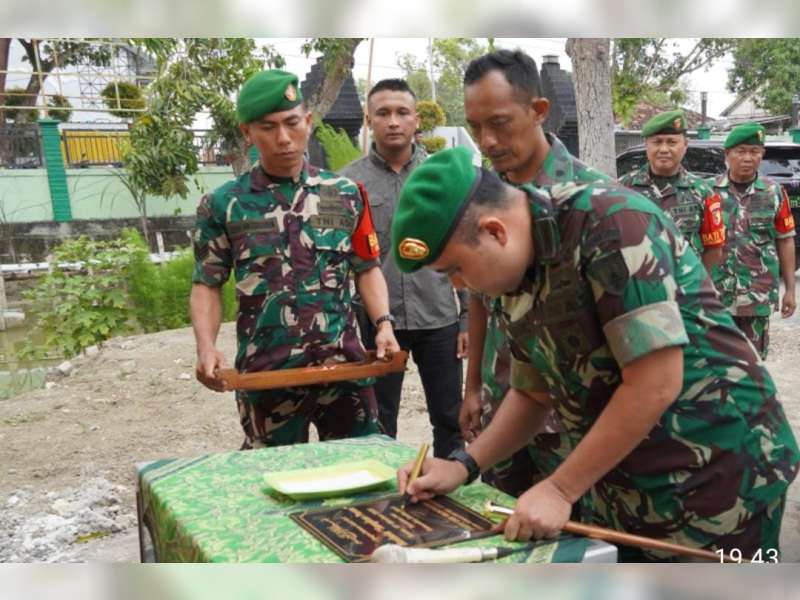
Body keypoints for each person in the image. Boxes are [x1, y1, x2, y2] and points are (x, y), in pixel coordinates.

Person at [393, 146, 799, 561]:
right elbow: (533, 393)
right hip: (626, 484)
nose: (460, 286)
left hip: (719, 479)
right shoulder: (512, 269)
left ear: (496, 231)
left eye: (454, 270)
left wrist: (558, 487)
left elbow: (655, 382)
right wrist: (462, 465)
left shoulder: (612, 225)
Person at [190, 69, 400, 449]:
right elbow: (207, 282)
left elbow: (367, 268)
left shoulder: (346, 194)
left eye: (291, 123)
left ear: (307, 121)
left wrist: (383, 324)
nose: (283, 139)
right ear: (247, 133)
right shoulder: (223, 204)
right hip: (268, 373)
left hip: (344, 369)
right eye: (268, 127)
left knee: (360, 471)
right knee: (273, 484)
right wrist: (206, 347)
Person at [460, 49, 608, 499]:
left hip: (568, 417)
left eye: (499, 123)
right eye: (475, 128)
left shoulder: (592, 206)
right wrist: (473, 387)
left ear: (538, 111)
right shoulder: (484, 198)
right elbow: (480, 299)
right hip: (506, 402)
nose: (486, 141)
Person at [342, 78, 468, 458]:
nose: (393, 121)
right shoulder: (347, 182)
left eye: (402, 113)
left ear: (416, 119)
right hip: (376, 322)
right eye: (383, 113)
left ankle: (451, 492)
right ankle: (381, 499)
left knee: (450, 418)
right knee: (377, 421)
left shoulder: (442, 177)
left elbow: (463, 249)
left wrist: (467, 322)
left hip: (439, 318)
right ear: (369, 120)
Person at [709, 122, 796, 359]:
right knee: (716, 364)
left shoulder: (774, 192)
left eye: (754, 152)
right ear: (727, 154)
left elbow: (785, 241)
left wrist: (790, 290)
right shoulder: (708, 192)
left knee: (752, 365)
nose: (748, 157)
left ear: (762, 155)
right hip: (715, 294)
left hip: (756, 296)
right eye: (741, 151)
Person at [619, 109, 725, 273]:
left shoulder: (703, 192)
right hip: (639, 292)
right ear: (646, 145)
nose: (664, 149)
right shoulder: (622, 189)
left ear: (685, 145)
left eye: (671, 142)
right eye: (657, 142)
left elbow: (714, 249)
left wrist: (698, 286)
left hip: (685, 292)